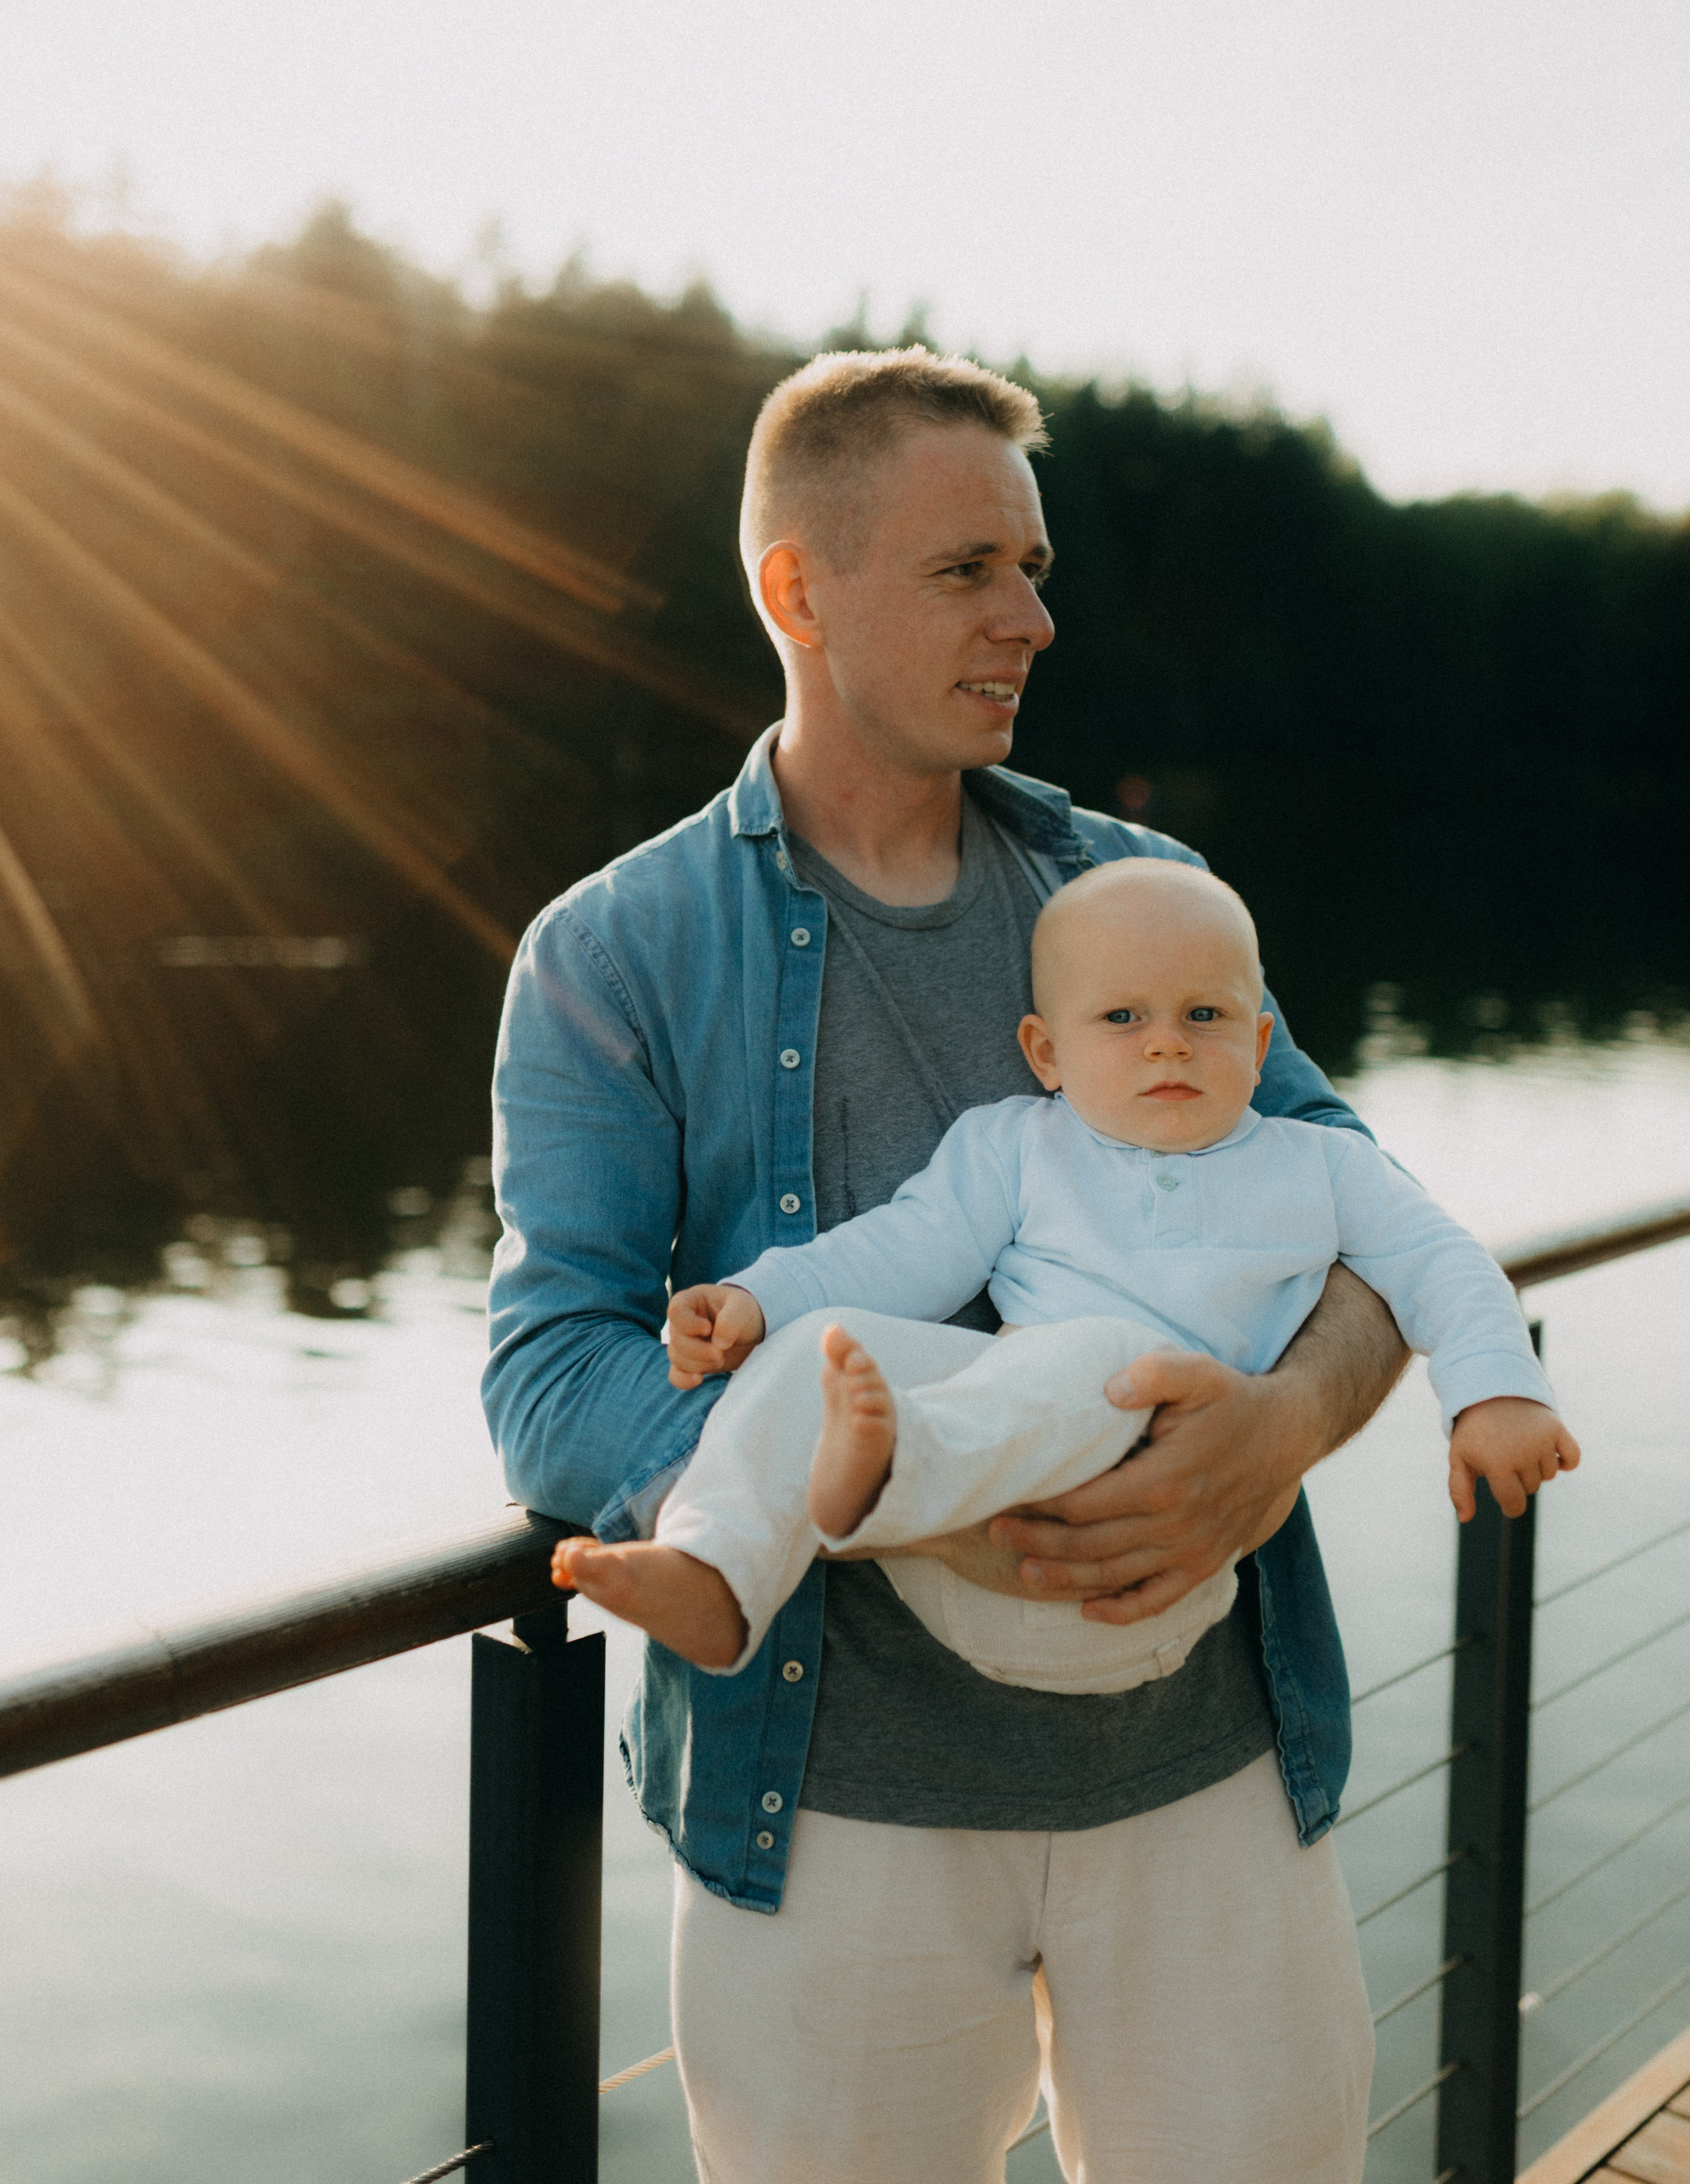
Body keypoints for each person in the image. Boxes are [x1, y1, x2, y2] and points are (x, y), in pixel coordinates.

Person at [487, 348, 1419, 2181]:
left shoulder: (1148, 894)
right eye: (970, 568)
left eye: (1035, 564)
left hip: (1207, 1790)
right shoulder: (615, 951)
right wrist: (889, 1498)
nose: (1036, 617)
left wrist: (1288, 1426)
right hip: (828, 1821)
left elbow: (1362, 1204)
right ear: (797, 592)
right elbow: (550, 1372)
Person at [555, 858, 1576, 1690]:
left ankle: (891, 1458)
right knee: (821, 1353)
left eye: (1206, 1017)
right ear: (1045, 1051)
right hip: (989, 1540)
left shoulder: (1321, 1166)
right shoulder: (1014, 1146)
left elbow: (1443, 1259)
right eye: (1123, 1019)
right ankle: (717, 1571)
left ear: (1262, 1043)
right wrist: (756, 1299)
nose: (1168, 1040)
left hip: (1144, 1574)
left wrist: (1495, 1391)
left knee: (1107, 1355)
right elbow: (897, 1251)